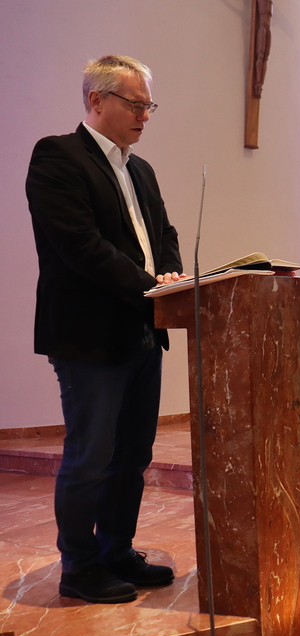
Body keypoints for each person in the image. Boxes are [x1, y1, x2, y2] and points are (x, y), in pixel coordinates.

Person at [26, 56, 184, 604]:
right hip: (89, 334)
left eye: (148, 105)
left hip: (143, 328)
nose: (145, 116)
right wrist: (150, 287)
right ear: (97, 100)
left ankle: (117, 550)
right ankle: (80, 566)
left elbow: (163, 234)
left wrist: (170, 277)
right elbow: (81, 247)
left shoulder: (141, 170)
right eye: (135, 104)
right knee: (91, 455)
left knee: (133, 455)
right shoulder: (57, 156)